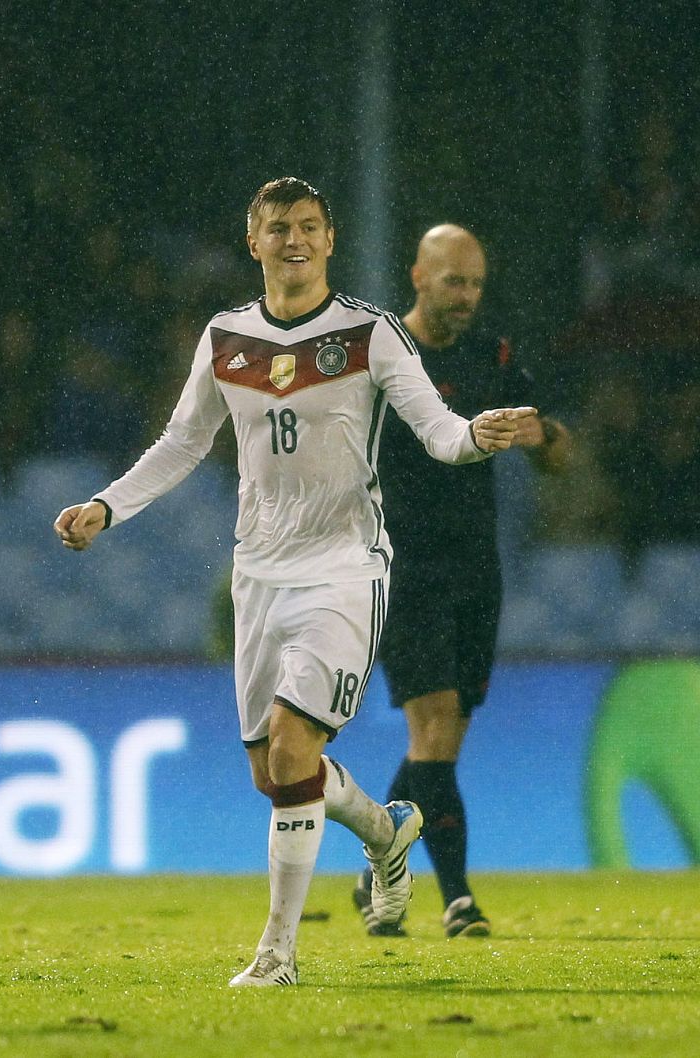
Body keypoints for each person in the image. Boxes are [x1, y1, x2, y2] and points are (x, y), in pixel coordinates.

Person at [53, 178, 535, 987]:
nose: (295, 240)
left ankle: (277, 955)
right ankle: (385, 833)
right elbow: (181, 443)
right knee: (273, 774)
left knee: (292, 745)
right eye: (279, 228)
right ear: (255, 243)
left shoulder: (372, 334)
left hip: (346, 568)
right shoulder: (225, 338)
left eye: (309, 226)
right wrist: (108, 505)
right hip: (259, 573)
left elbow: (440, 433)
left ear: (331, 239)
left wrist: (479, 436)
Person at [356, 225, 571, 938]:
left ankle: (372, 871)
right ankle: (456, 899)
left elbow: (556, 452)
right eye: (454, 282)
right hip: (403, 567)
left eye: (476, 284)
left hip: (478, 570)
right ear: (418, 275)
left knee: (439, 742)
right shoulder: (381, 357)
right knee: (436, 725)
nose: (467, 297)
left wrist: (544, 438)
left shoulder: (494, 357)